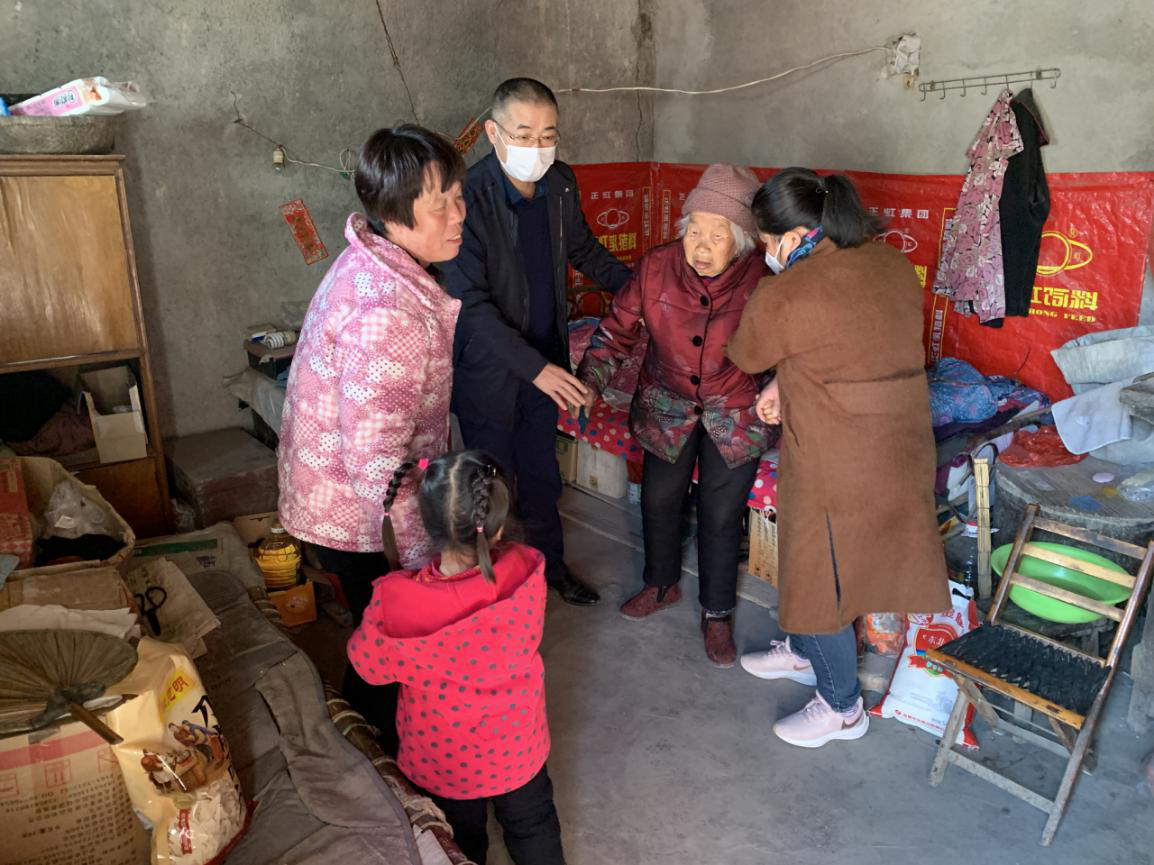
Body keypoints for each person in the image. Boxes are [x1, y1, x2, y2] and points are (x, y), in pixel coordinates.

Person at [727, 168, 950, 747]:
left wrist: (770, 334)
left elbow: (747, 352)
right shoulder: (891, 264)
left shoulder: (791, 289)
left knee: (819, 577)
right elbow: (849, 343)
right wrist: (787, 382)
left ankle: (841, 707)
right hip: (899, 446)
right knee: (835, 569)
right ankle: (805, 652)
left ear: (793, 236)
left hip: (836, 457)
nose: (764, 251)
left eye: (765, 240)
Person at [278, 125, 466, 744]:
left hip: (337, 493)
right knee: (392, 643)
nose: (458, 215)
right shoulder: (388, 310)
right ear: (394, 212)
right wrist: (424, 556)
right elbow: (378, 469)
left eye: (458, 196)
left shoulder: (376, 257)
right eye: (439, 204)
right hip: (358, 512)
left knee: (377, 635)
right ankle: (376, 753)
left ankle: (365, 739)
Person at [442, 77, 632, 607]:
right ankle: (490, 588)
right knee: (489, 484)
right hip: (490, 369)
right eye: (524, 135)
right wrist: (534, 368)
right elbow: (470, 306)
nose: (538, 148)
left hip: (546, 360)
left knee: (543, 475)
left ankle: (550, 568)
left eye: (548, 136)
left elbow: (585, 251)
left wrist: (646, 290)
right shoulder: (468, 199)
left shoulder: (559, 184)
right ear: (492, 133)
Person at [577, 164, 774, 667]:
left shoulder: (765, 278)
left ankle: (717, 613)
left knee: (720, 514)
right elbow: (616, 330)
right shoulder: (656, 267)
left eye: (717, 236)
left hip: (735, 410)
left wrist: (781, 389)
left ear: (742, 241)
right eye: (694, 232)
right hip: (666, 404)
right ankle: (661, 584)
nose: (701, 247)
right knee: (659, 499)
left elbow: (788, 349)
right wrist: (589, 381)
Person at [347, 451, 565, 865]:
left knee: (461, 842)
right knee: (534, 825)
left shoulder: (396, 600)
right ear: (496, 526)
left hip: (444, 763)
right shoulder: (527, 567)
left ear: (425, 523)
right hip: (519, 747)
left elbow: (367, 667)